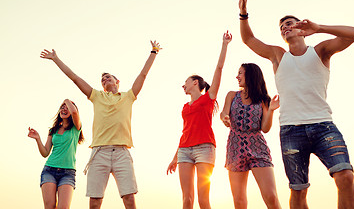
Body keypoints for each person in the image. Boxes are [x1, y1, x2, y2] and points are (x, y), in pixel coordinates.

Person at [234, 0, 354, 209]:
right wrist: (243, 13)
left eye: (289, 24)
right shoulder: (278, 55)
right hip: (291, 130)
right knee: (298, 191)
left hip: (323, 126)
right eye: (282, 27)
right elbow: (248, 39)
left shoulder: (320, 51)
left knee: (346, 177)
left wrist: (319, 27)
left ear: (302, 28)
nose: (285, 28)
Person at [40, 40, 162, 209]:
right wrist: (56, 59)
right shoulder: (97, 96)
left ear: (117, 81)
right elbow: (75, 78)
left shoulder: (128, 96)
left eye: (108, 77)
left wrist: (153, 52)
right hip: (99, 152)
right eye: (102, 80)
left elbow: (142, 75)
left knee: (129, 199)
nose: (105, 80)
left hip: (121, 152)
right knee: (95, 202)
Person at [166, 31, 232, 209]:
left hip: (205, 148)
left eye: (185, 82)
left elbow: (218, 69)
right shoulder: (185, 107)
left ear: (195, 82)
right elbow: (185, 133)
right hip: (184, 151)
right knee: (187, 199)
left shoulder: (208, 98)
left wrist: (224, 45)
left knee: (203, 200)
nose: (183, 85)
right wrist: (175, 157)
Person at [220, 63, 281, 209]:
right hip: (235, 148)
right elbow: (224, 113)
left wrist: (271, 110)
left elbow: (265, 128)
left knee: (271, 196)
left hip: (258, 148)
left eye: (240, 73)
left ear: (251, 75)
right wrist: (224, 118)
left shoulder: (264, 100)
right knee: (239, 202)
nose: (237, 76)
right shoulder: (231, 95)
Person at [28, 99, 84, 209]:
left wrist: (66, 100)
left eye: (67, 107)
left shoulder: (76, 128)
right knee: (50, 206)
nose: (64, 109)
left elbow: (74, 113)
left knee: (63, 207)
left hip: (68, 173)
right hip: (49, 170)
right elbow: (45, 153)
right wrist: (38, 139)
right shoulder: (53, 130)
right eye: (62, 107)